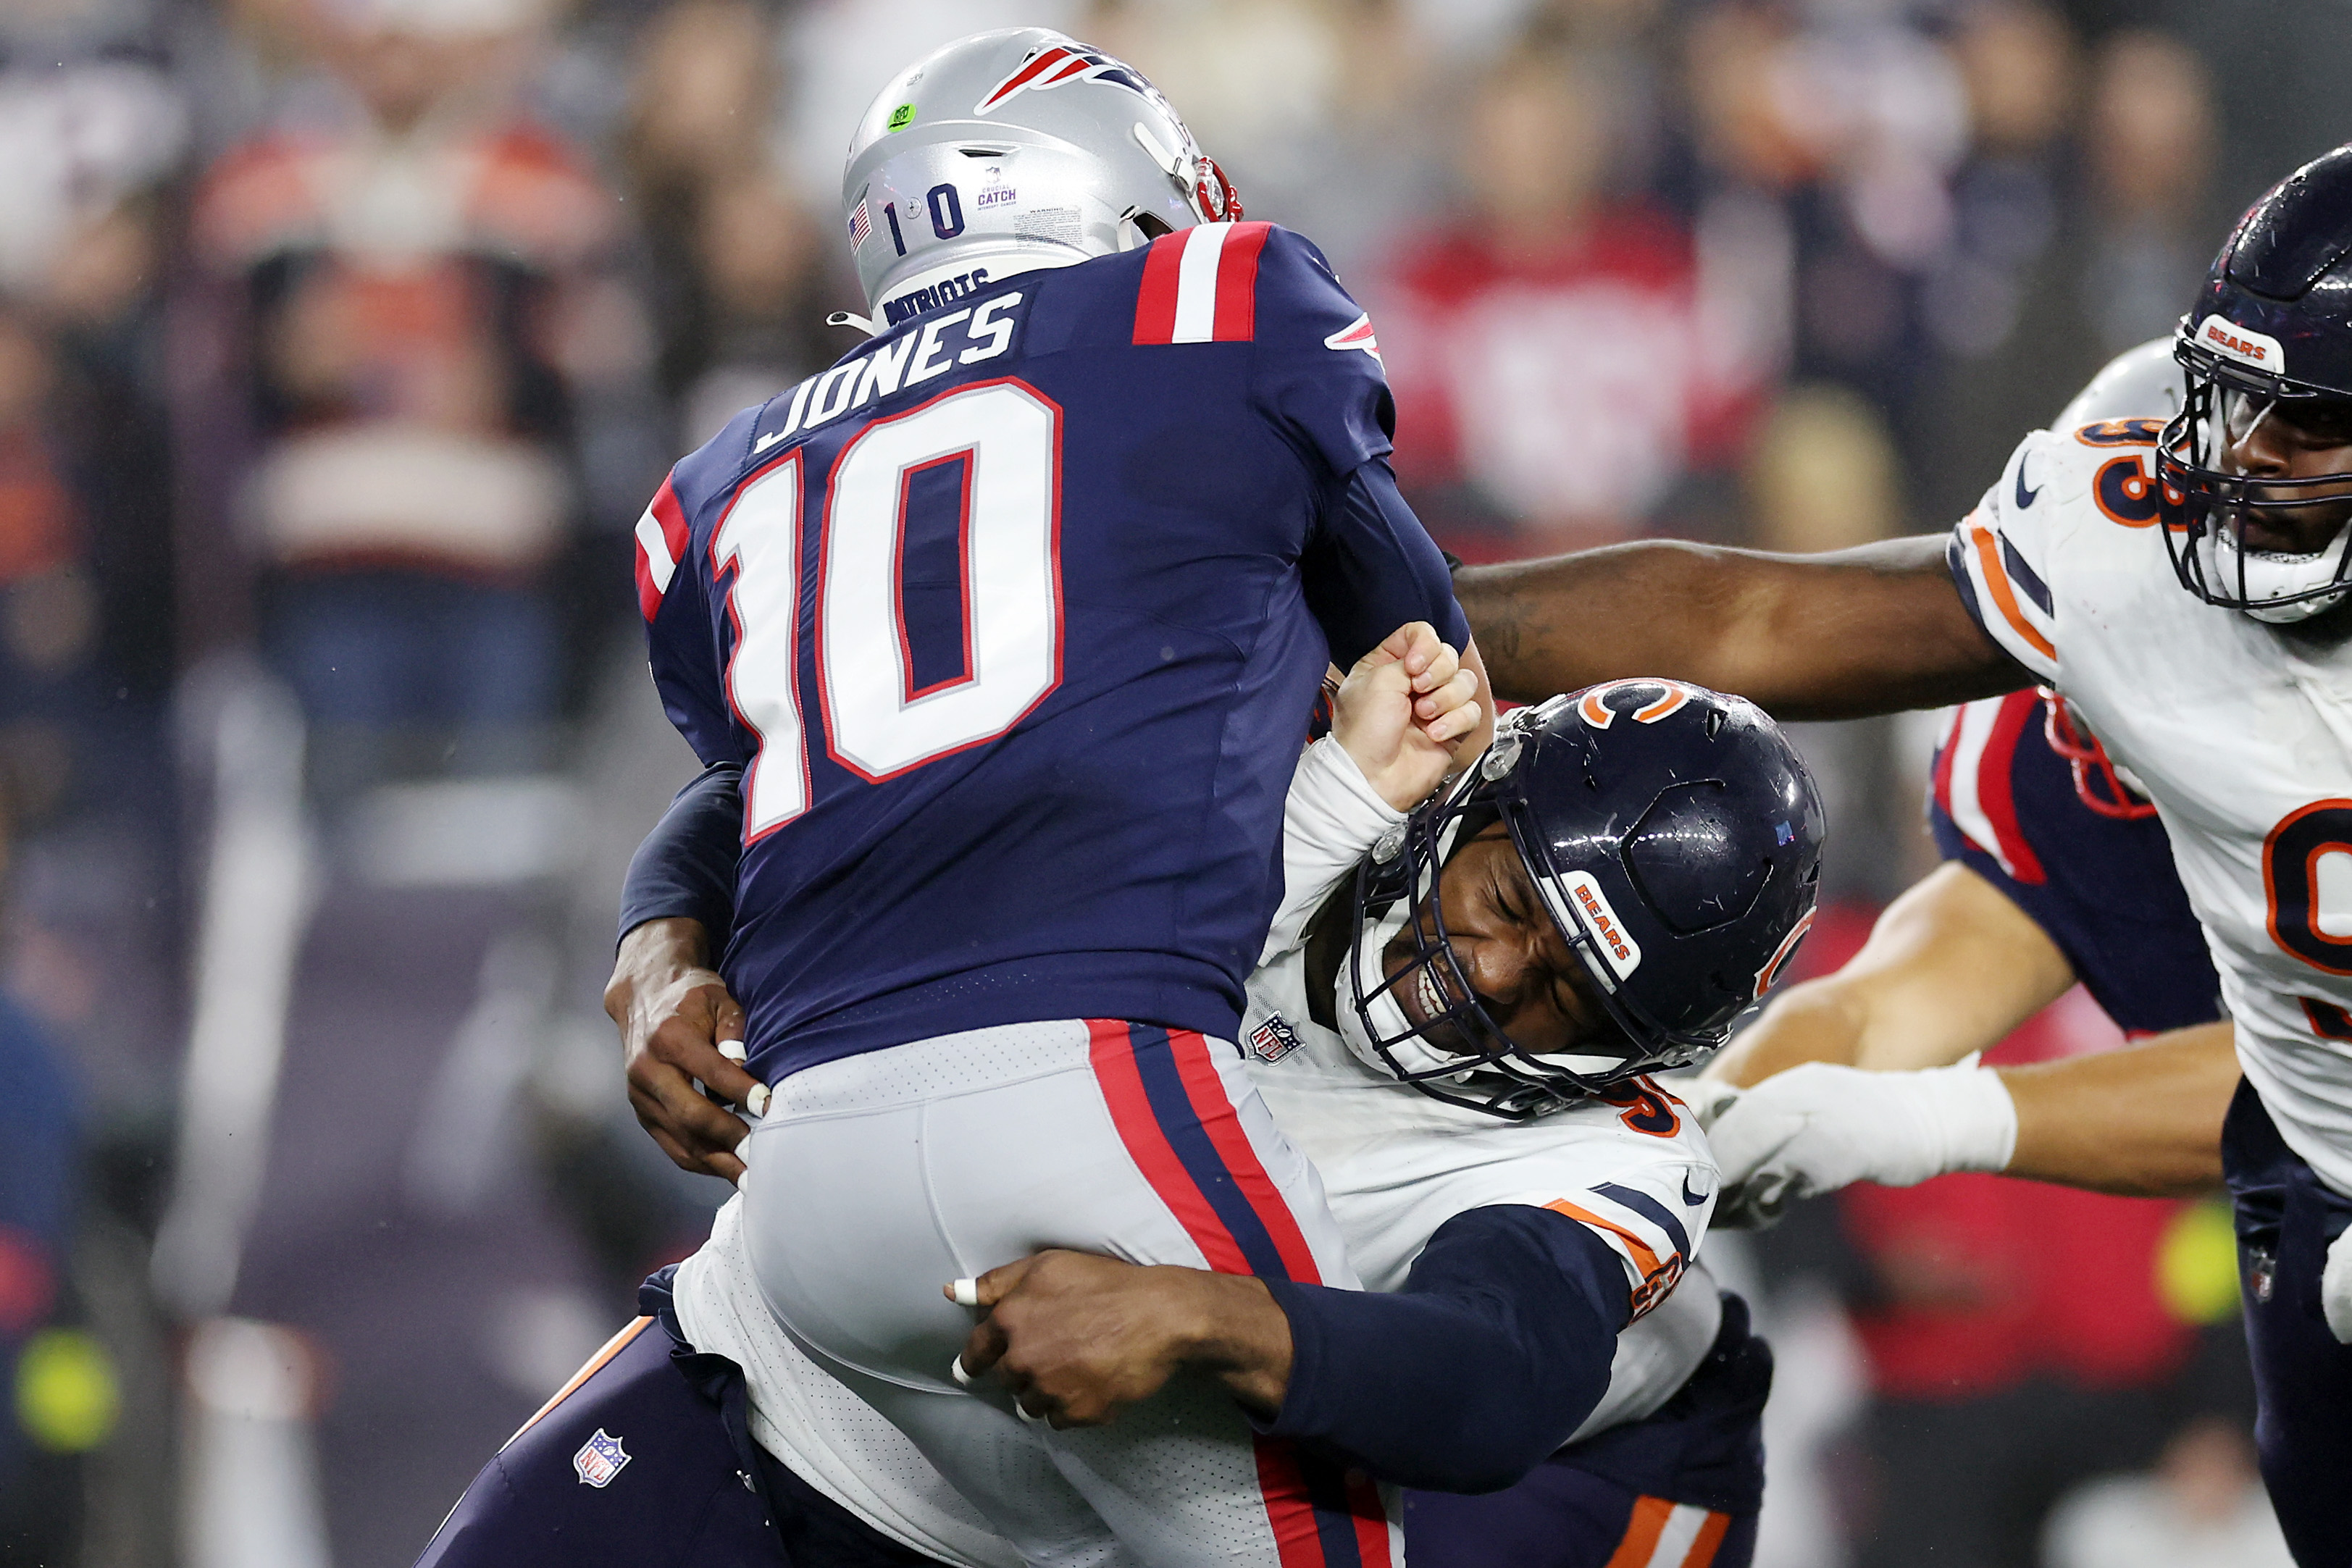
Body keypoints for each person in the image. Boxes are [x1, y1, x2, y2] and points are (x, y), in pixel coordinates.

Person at [624, 26, 1486, 1563]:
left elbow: (765, 778)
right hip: (1098, 1093)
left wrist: (653, 935)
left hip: (807, 1180)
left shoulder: (714, 485)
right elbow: (1418, 633)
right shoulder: (1229, 303)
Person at [1442, 145, 2352, 1567]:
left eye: (2305, 420)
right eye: (2236, 405)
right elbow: (1754, 628)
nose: (2244, 457)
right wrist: (1396, 608)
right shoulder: (2137, 565)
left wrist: (1944, 1122)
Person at [424, 653, 1822, 1568]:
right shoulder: (1286, 751)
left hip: (998, 1534)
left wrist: (1193, 1316)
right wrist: (666, 943)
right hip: (760, 1365)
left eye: (1573, 996)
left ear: (1642, 1055)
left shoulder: (1618, 1155)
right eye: (1511, 903)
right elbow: (804, 768)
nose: (1496, 974)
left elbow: (1493, 1373)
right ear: (1477, 808)